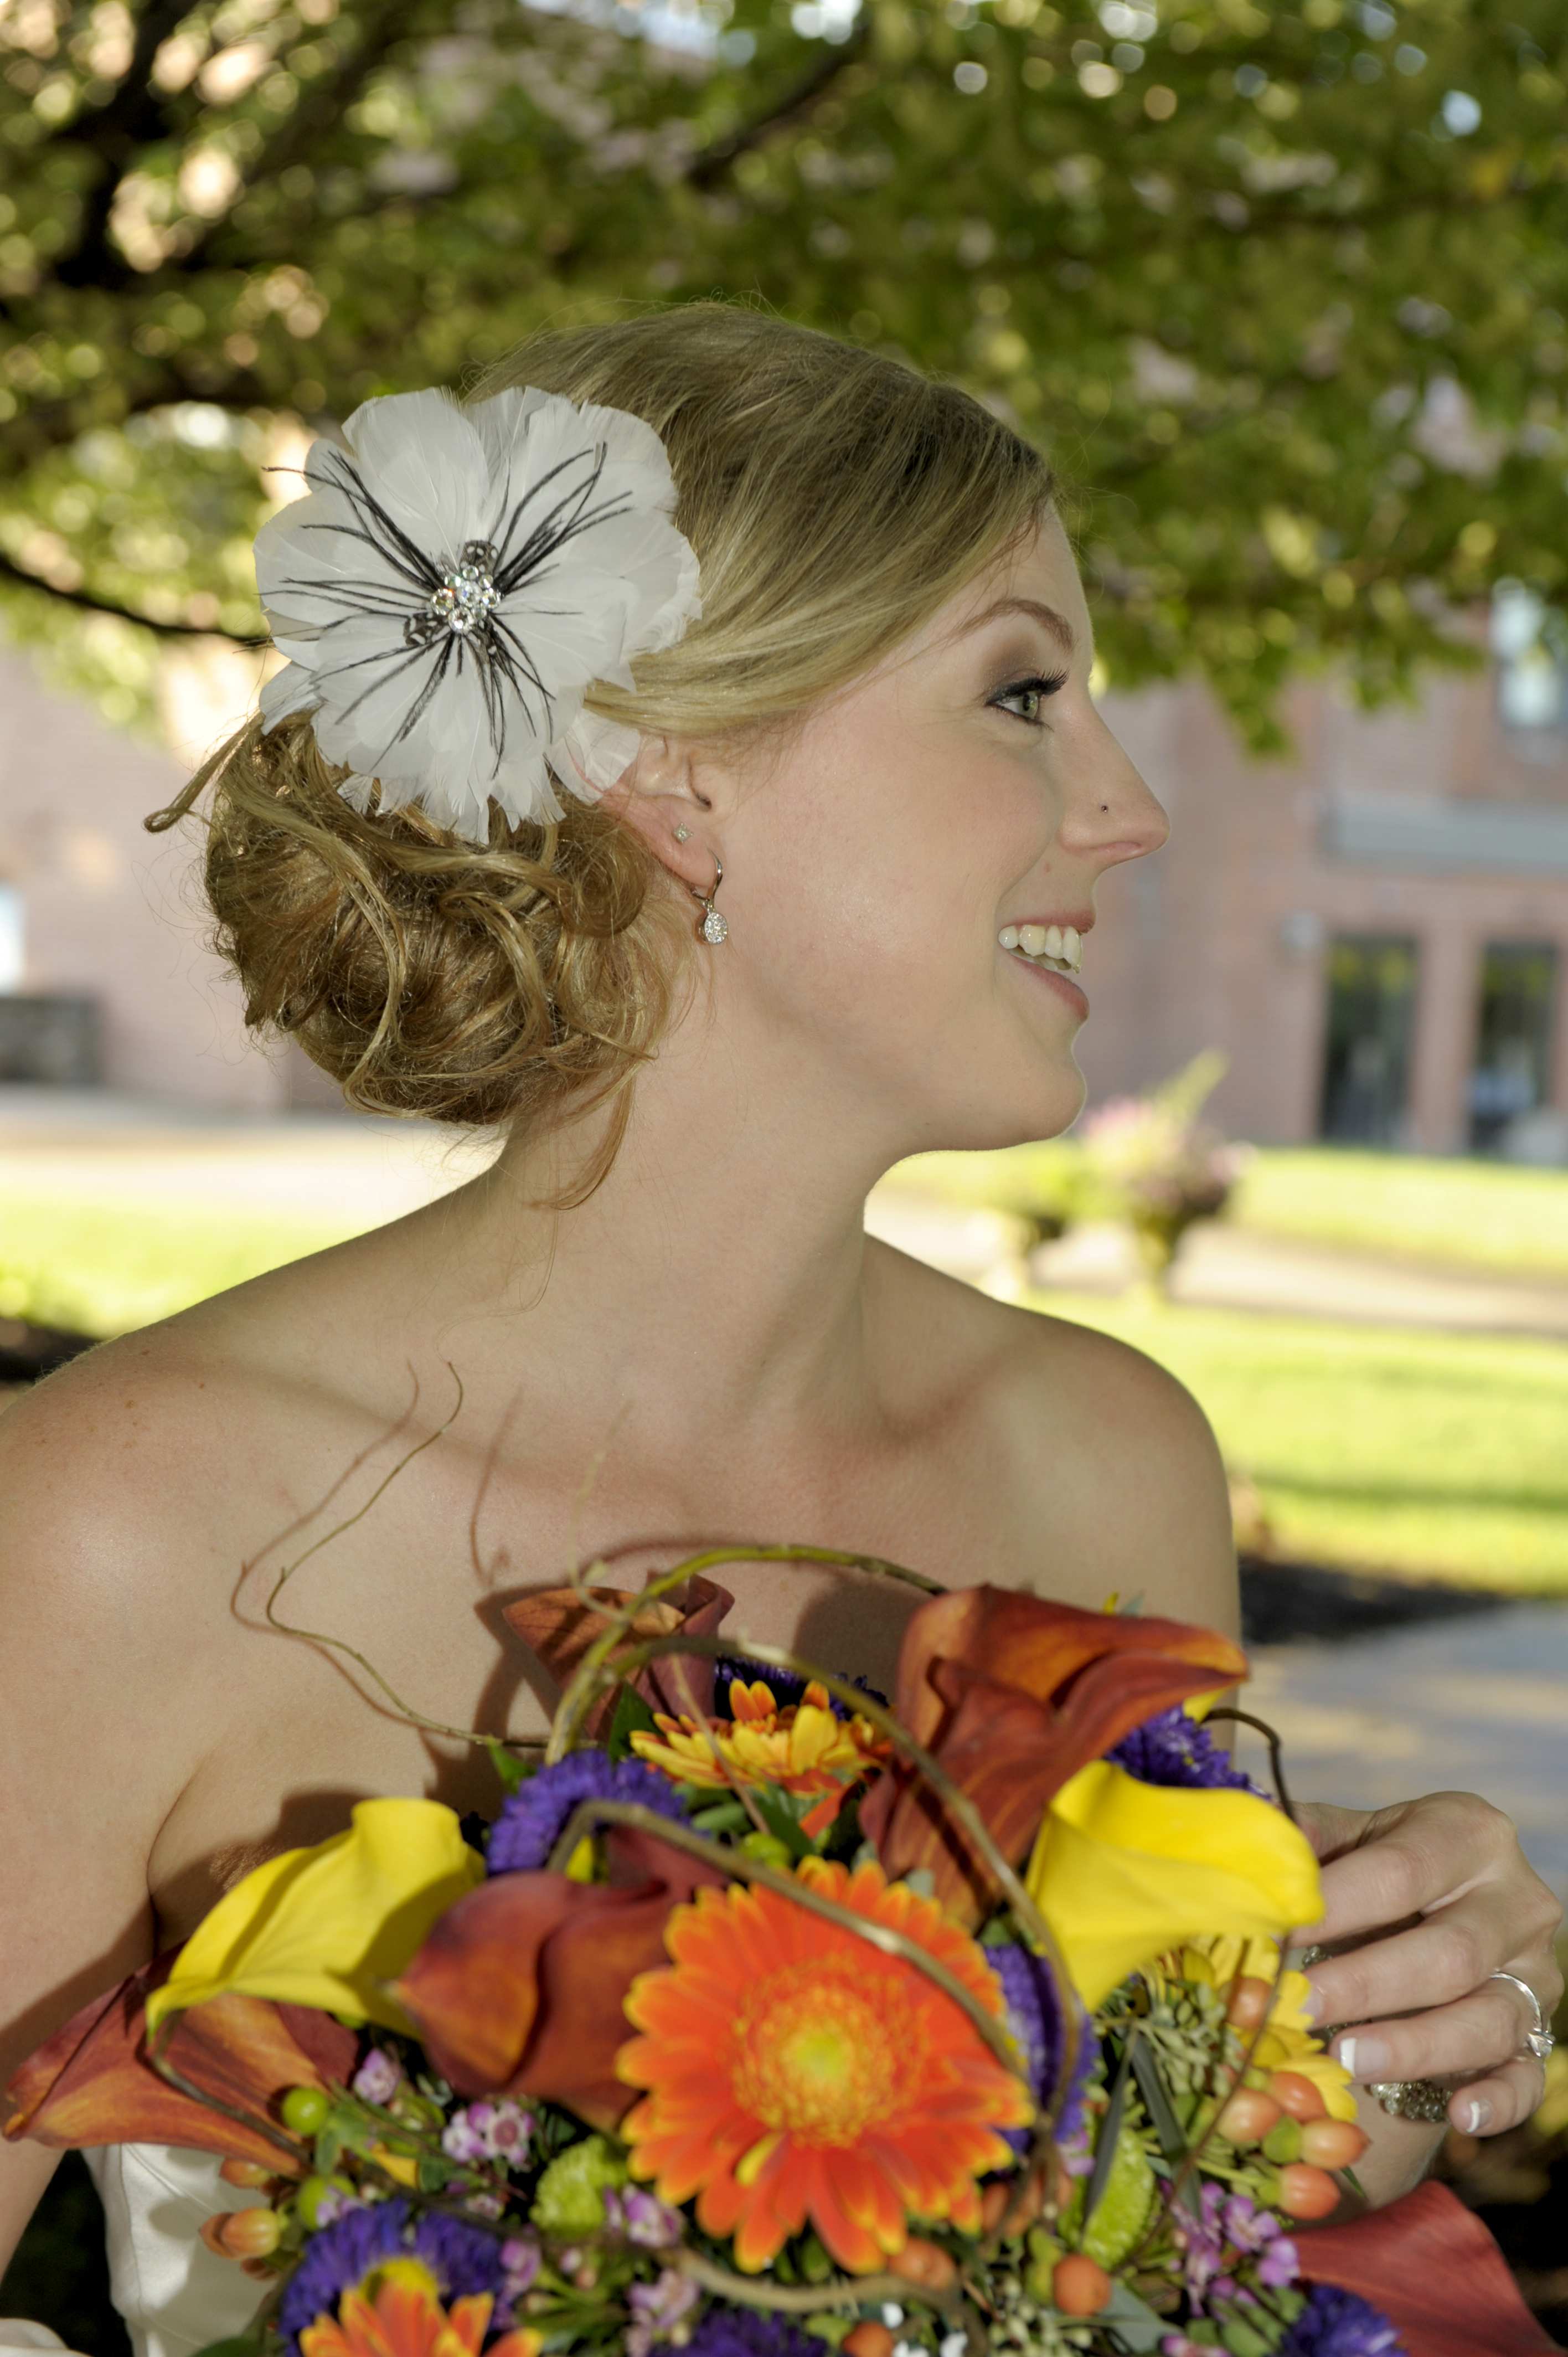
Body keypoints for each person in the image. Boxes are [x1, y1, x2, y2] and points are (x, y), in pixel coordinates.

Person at [0, 303, 1559, 2354]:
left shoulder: (1107, 1461)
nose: (1126, 807)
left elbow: (1182, 2225)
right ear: (677, 781)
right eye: (1024, 694)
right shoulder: (114, 1525)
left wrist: (1406, 2024)